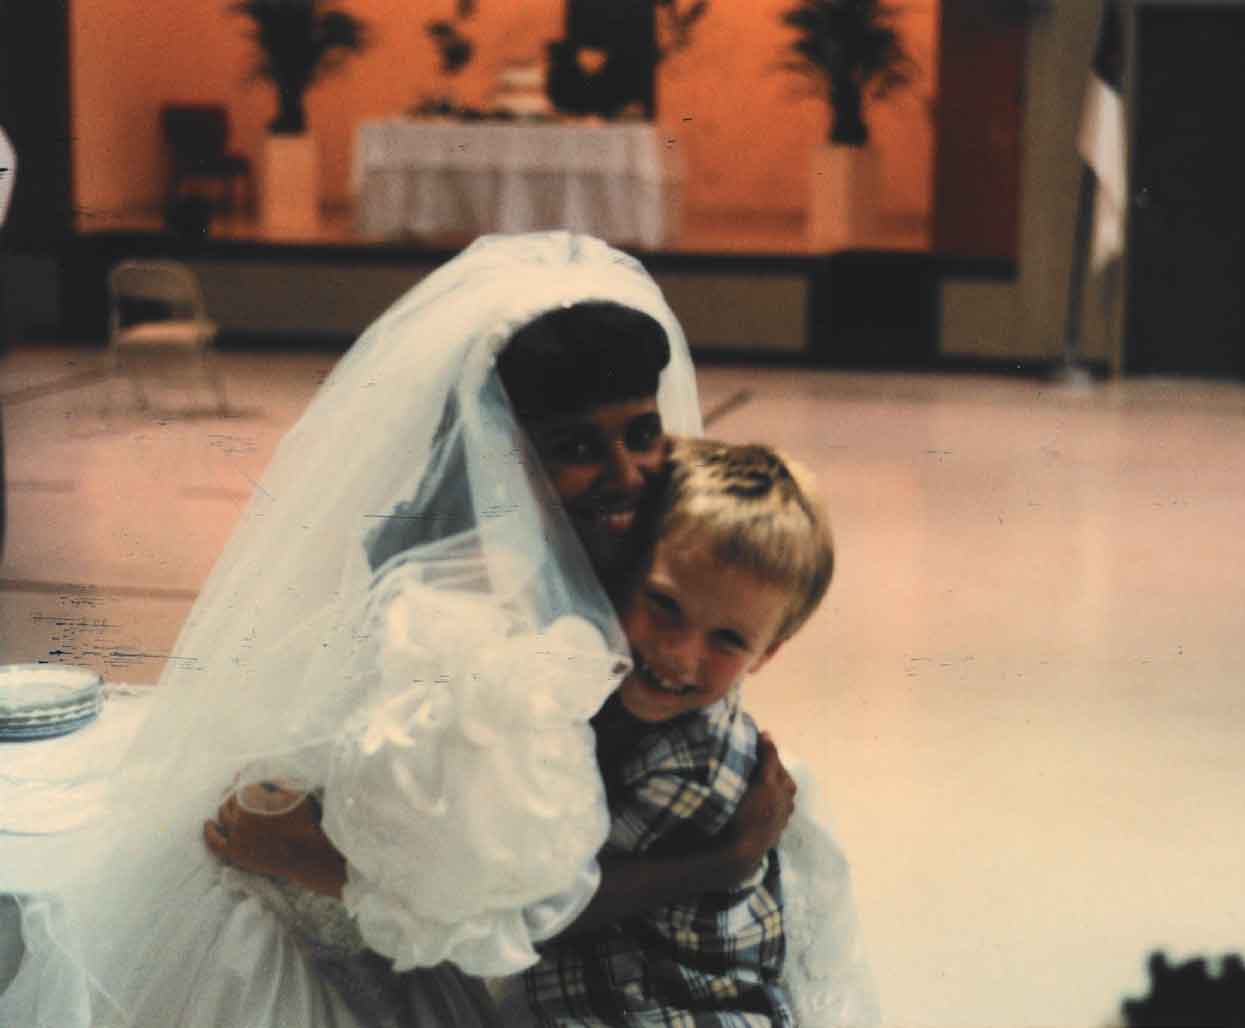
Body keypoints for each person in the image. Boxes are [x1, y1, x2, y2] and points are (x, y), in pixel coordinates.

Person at [0, 232, 791, 1027]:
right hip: (351, 918)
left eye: (641, 432)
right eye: (577, 447)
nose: (626, 472)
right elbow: (505, 906)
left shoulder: (621, 544)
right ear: (504, 452)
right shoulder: (470, 619)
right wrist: (722, 861)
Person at [503, 437, 833, 1025]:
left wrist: (730, 858)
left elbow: (550, 901)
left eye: (728, 640)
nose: (679, 655)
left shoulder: (697, 764)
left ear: (767, 653)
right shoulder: (611, 691)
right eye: (664, 605)